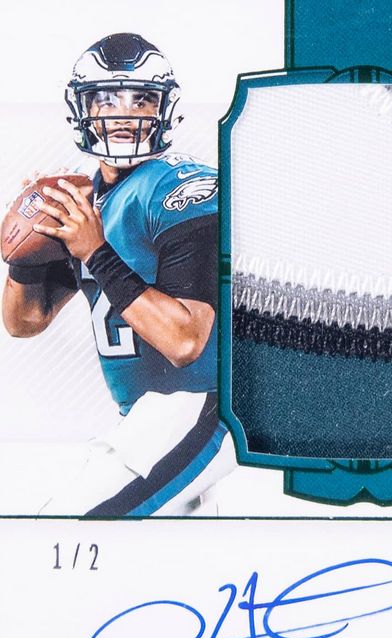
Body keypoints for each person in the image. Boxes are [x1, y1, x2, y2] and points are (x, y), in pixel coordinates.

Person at [1, 32, 235, 516]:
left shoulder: (180, 189)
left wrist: (95, 250)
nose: (124, 115)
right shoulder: (88, 198)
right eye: (107, 100)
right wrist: (26, 249)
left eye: (141, 99)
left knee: (68, 526)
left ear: (163, 109)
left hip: (199, 408)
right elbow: (23, 321)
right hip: (146, 419)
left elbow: (186, 341)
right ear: (82, 108)